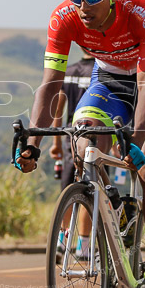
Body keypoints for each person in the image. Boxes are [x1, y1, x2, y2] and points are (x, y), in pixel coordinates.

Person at [15, 0, 145, 288]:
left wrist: (134, 143)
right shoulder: (63, 18)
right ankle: (113, 207)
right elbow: (50, 85)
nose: (83, 6)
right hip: (106, 78)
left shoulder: (143, 11)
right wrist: (33, 144)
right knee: (82, 141)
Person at [49, 49, 94, 261]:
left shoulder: (68, 71)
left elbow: (58, 110)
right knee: (92, 190)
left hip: (70, 138)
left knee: (67, 189)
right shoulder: (102, 71)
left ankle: (61, 242)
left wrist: (55, 142)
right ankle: (83, 245)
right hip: (96, 137)